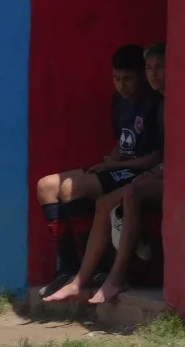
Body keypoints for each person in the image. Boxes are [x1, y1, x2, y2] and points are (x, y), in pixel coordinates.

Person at [34, 44, 162, 293]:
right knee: (46, 186)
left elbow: (154, 157)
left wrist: (113, 165)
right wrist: (109, 161)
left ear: (142, 76)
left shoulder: (156, 103)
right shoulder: (119, 103)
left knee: (72, 188)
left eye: (128, 79)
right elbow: (123, 143)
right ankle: (67, 269)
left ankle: (95, 269)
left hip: (139, 171)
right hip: (118, 166)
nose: (122, 86)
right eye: (116, 79)